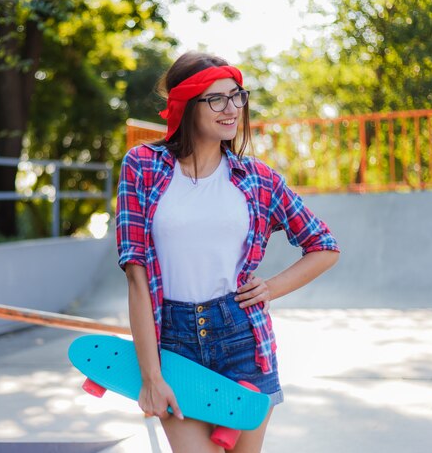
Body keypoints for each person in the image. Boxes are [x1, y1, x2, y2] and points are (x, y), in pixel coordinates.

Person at [116, 51, 340, 452]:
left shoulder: (257, 178)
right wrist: (151, 375)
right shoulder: (142, 166)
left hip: (242, 340)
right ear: (185, 105)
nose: (232, 108)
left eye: (237, 96)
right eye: (216, 99)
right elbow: (137, 275)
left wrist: (270, 287)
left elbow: (323, 246)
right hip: (173, 343)